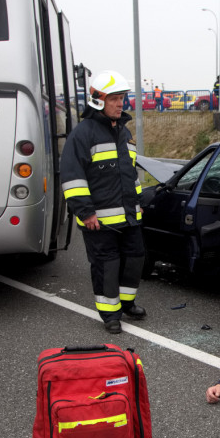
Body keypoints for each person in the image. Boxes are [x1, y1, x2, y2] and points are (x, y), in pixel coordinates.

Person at [60, 69, 146, 334]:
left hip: (129, 216)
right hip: (98, 220)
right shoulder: (83, 134)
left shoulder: (123, 133)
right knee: (107, 265)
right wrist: (86, 213)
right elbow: (72, 177)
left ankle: (126, 302)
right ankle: (110, 314)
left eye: (122, 98)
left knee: (134, 258)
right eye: (114, 99)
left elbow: (130, 174)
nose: (121, 104)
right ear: (98, 99)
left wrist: (138, 203)